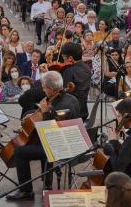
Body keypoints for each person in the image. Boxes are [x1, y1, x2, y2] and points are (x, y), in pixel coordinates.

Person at [6, 71, 81, 201]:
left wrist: (45, 113)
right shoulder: (67, 98)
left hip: (61, 145)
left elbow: (54, 130)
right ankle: (47, 184)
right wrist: (31, 114)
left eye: (44, 87)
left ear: (51, 89)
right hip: (57, 141)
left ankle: (26, 191)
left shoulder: (63, 105)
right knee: (33, 142)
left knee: (19, 152)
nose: (43, 90)